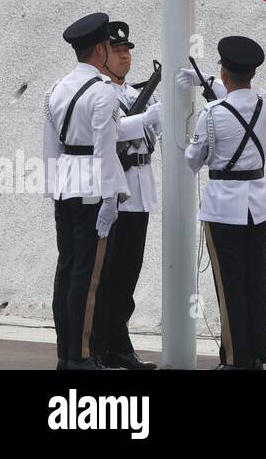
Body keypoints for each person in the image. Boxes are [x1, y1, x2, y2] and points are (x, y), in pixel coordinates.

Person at [185, 36, 266, 370]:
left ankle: (234, 359)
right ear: (251, 73)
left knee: (230, 286)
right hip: (257, 203)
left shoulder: (212, 113)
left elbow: (193, 160)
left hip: (224, 206)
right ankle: (256, 355)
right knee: (257, 281)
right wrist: (217, 87)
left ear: (224, 74)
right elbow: (249, 96)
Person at [44, 13, 131, 370]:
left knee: (66, 271)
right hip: (93, 189)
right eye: (110, 46)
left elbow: (51, 148)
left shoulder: (56, 89)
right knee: (87, 275)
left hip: (66, 185)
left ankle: (66, 352)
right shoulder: (103, 93)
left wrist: (53, 189)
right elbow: (104, 152)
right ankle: (80, 356)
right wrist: (110, 199)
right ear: (100, 48)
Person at [91, 20, 161, 370]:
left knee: (128, 275)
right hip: (115, 192)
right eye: (117, 52)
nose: (124, 58)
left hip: (139, 189)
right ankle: (99, 347)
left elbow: (154, 133)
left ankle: (119, 345)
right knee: (107, 276)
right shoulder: (100, 92)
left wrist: (160, 117)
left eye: (127, 51)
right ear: (102, 55)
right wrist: (147, 118)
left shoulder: (135, 94)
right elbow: (114, 132)